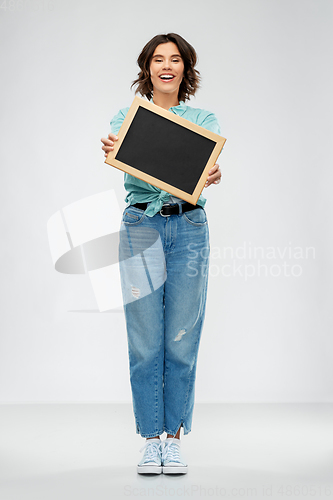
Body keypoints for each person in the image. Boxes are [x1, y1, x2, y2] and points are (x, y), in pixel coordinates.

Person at [101, 33, 222, 475]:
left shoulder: (202, 117)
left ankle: (174, 439)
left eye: (175, 60)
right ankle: (150, 440)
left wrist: (210, 173)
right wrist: (121, 152)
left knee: (182, 339)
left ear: (185, 69)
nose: (166, 66)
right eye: (158, 59)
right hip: (141, 228)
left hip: (189, 226)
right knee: (146, 341)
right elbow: (137, 164)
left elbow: (203, 167)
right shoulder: (128, 116)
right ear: (147, 68)